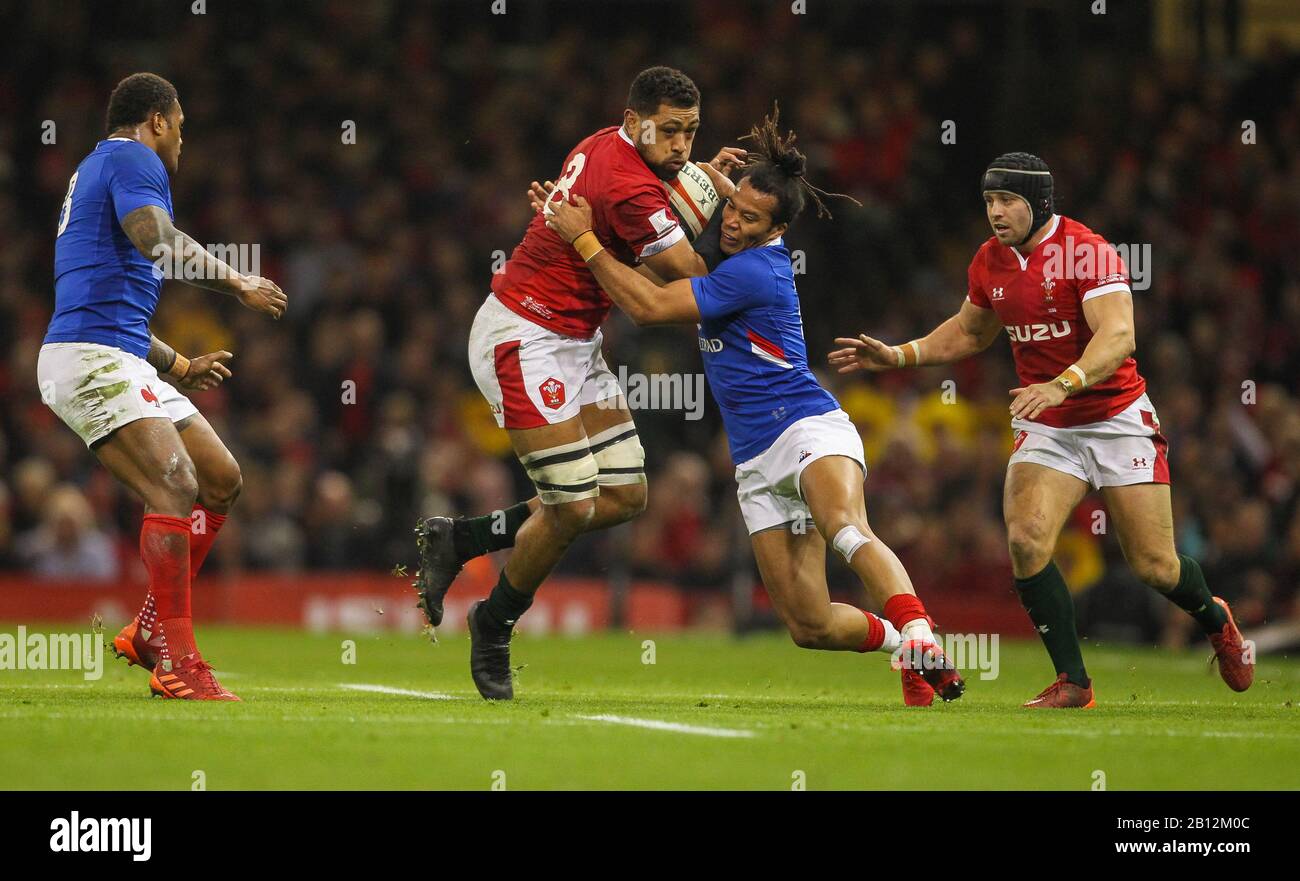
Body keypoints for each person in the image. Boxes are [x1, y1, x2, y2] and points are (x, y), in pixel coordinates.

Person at [536, 109, 965, 707]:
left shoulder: (757, 272)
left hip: (807, 427)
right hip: (756, 459)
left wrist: (582, 237)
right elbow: (670, 233)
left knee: (844, 525)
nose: (733, 223)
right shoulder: (732, 242)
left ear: (777, 230)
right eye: (733, 207)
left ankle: (924, 634)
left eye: (749, 219)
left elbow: (649, 307)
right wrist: (706, 179)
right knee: (808, 626)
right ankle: (904, 648)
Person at [828, 152, 1252, 707]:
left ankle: (1213, 616)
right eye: (989, 202)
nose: (996, 213)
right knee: (1026, 541)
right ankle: (1074, 682)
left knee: (1154, 565)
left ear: (1040, 203)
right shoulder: (989, 260)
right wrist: (900, 355)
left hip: (1116, 416)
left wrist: (1064, 383)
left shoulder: (1087, 251)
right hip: (1049, 424)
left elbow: (1119, 335)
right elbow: (969, 332)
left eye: (1008, 201)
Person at [413, 66, 745, 701]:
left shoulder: (605, 144)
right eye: (670, 132)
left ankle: (461, 538)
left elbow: (647, 216)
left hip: (574, 341)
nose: (681, 146)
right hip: (525, 336)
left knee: (623, 496)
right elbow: (689, 276)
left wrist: (700, 184)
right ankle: (495, 622)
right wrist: (728, 211)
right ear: (634, 122)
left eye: (691, 134)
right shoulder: (626, 184)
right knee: (570, 503)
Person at [39, 72, 287, 701]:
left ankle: (150, 631)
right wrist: (240, 282)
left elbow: (104, 299)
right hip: (89, 357)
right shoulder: (133, 158)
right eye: (180, 125)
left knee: (220, 478)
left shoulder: (99, 170)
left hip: (114, 351)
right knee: (175, 484)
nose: (182, 139)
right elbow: (158, 244)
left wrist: (178, 365)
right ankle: (179, 663)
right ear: (156, 120)